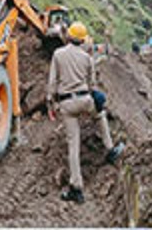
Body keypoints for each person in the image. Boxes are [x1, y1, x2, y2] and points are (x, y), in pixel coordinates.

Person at [47, 22, 125, 204]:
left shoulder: (58, 55)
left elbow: (52, 83)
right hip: (84, 99)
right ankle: (110, 148)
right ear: (82, 40)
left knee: (73, 145)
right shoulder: (87, 58)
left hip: (66, 104)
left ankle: (77, 188)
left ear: (69, 37)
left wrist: (51, 102)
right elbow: (92, 85)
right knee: (100, 114)